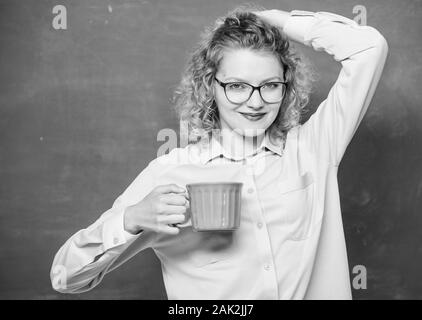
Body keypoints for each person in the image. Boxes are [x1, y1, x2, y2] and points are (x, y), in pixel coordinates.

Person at [50, 6, 388, 299]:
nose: (255, 102)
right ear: (210, 84)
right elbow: (65, 277)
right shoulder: (170, 173)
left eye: (270, 85)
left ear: (287, 84)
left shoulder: (312, 148)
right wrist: (130, 220)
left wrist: (273, 21)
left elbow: (369, 49)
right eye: (237, 86)